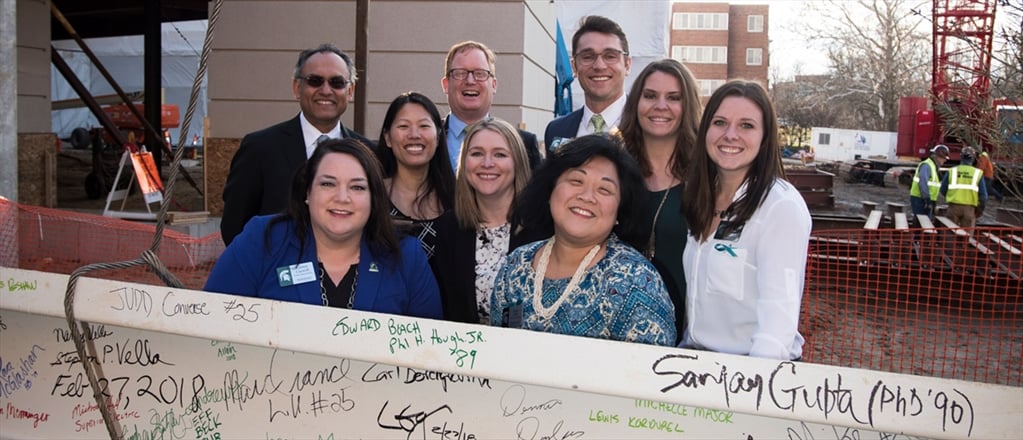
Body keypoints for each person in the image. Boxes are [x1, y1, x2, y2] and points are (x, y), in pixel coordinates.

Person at [205, 138, 442, 319]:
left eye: (357, 187)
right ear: (307, 192)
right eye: (328, 184)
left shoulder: (405, 255)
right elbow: (212, 321)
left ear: (374, 198)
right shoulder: (262, 239)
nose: (342, 197)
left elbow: (428, 351)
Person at [491, 135, 676, 347]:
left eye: (604, 190)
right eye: (576, 181)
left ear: (619, 211)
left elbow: (652, 375)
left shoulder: (636, 282)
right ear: (550, 190)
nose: (587, 196)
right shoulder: (515, 267)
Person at [680, 80, 811, 361]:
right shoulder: (701, 196)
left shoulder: (780, 207)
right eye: (720, 122)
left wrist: (750, 391)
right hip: (697, 364)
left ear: (765, 137)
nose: (730, 135)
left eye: (746, 126)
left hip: (748, 373)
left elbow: (778, 322)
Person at [221, 43, 373, 245]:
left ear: (350, 91)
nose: (326, 90)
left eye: (337, 82)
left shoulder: (369, 153)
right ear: (297, 88)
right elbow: (235, 226)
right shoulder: (259, 149)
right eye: (315, 81)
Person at [618, 58, 702, 343]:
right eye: (650, 95)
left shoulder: (706, 178)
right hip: (614, 327)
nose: (660, 106)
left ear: (687, 105)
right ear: (636, 103)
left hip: (687, 331)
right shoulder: (612, 169)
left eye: (674, 98)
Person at [430, 118, 534, 323]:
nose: (487, 163)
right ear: (464, 162)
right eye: (477, 153)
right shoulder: (448, 228)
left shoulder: (542, 226)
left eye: (500, 154)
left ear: (517, 163)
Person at [376, 92, 456, 259]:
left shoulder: (458, 198)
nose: (414, 135)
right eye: (403, 126)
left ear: (439, 135)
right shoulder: (372, 196)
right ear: (387, 138)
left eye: (424, 126)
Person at [441, 41, 543, 170]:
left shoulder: (524, 143)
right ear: (446, 85)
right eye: (460, 73)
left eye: (480, 73)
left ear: (494, 85)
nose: (470, 81)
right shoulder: (427, 139)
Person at [544, 16, 632, 152]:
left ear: (627, 64)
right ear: (574, 67)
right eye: (588, 57)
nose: (599, 66)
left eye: (610, 56)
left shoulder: (647, 127)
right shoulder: (557, 130)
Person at [940, 146, 988, 228]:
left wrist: (952, 197)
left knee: (949, 236)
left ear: (961, 157)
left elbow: (943, 190)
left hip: (953, 207)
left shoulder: (952, 171)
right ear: (973, 159)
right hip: (969, 209)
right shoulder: (978, 173)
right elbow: (983, 196)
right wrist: (979, 210)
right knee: (966, 238)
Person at [910, 144, 949, 219]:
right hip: (921, 199)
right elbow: (923, 182)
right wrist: (927, 200)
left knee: (924, 221)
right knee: (922, 221)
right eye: (944, 158)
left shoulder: (932, 166)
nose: (945, 161)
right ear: (938, 157)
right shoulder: (927, 165)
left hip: (925, 199)